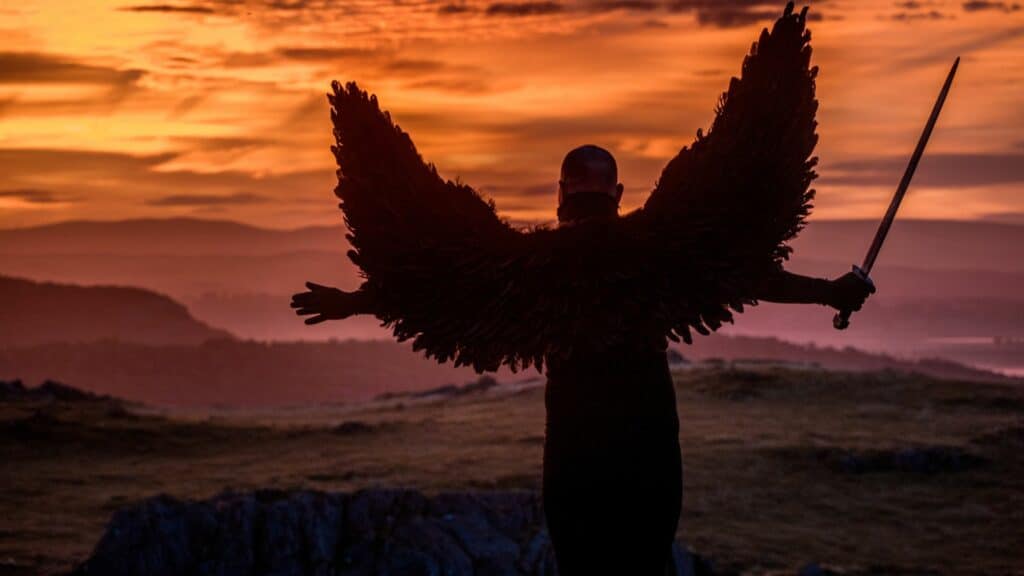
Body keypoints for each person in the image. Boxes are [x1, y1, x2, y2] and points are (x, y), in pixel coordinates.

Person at [291, 4, 873, 573]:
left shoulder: (525, 265)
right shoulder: (667, 246)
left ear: (561, 196)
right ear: (618, 196)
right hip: (649, 445)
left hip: (576, 450)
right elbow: (744, 270)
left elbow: (438, 285)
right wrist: (831, 292)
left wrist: (352, 302)